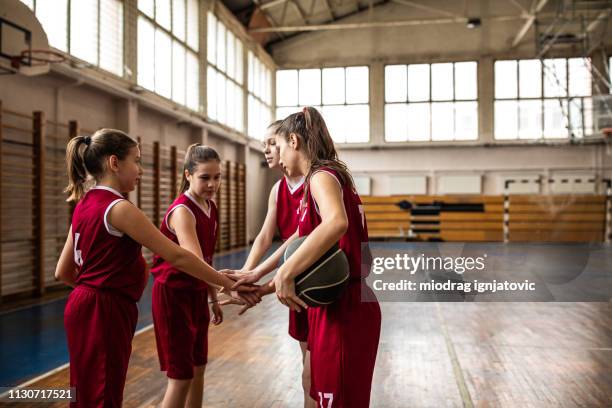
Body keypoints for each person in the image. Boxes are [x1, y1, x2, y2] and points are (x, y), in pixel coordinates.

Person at [54, 129, 259, 408]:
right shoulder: (119, 208)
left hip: (83, 305)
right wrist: (228, 283)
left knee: (86, 392)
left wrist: (90, 294)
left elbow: (63, 272)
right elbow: (178, 256)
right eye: (136, 161)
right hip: (106, 307)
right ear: (114, 163)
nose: (140, 169)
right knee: (103, 395)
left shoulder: (84, 203)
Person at [229, 107, 381, 407]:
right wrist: (259, 280)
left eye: (279, 145)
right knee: (321, 392)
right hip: (334, 302)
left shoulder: (321, 177)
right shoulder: (326, 176)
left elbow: (337, 223)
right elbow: (299, 243)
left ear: (294, 141)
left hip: (345, 306)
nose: (276, 153)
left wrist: (284, 275)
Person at [225, 121, 314, 407]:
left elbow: (300, 239)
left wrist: (257, 275)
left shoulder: (317, 181)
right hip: (294, 283)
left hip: (314, 279)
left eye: (270, 143)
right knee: (307, 370)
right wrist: (245, 274)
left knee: (315, 375)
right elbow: (265, 236)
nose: (265, 149)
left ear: (291, 142)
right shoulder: (278, 188)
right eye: (262, 144)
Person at [151, 144, 224, 408]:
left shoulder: (210, 208)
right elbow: (194, 261)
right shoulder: (183, 211)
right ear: (188, 175)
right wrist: (231, 285)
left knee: (198, 367)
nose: (212, 184)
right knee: (180, 377)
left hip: (196, 294)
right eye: (205, 177)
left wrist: (213, 298)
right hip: (174, 296)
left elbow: (206, 260)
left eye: (217, 177)